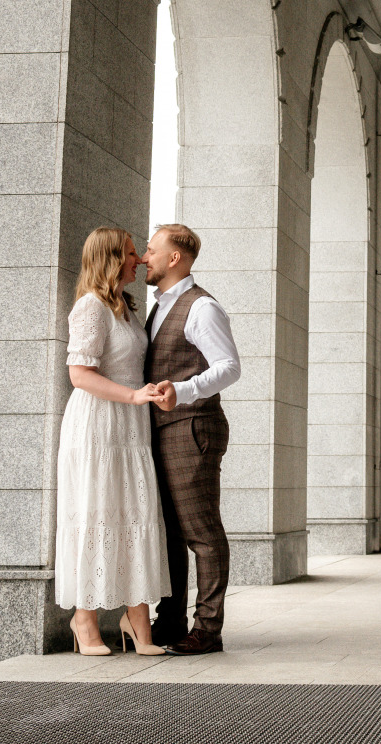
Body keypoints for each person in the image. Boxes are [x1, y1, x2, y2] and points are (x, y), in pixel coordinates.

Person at [56, 226, 175, 656]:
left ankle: (136, 619)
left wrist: (147, 395)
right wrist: (133, 395)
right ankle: (84, 620)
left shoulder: (124, 306)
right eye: (130, 253)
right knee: (96, 515)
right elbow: (79, 375)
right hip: (98, 427)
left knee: (134, 514)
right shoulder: (90, 307)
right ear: (109, 258)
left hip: (130, 426)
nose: (139, 259)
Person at [141, 223, 242, 655]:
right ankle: (169, 622)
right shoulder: (161, 306)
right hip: (163, 430)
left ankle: (208, 629)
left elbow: (229, 366)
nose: (145, 257)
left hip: (192, 426)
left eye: (150, 250)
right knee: (169, 533)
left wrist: (181, 391)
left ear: (174, 258)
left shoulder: (202, 308)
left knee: (201, 533)